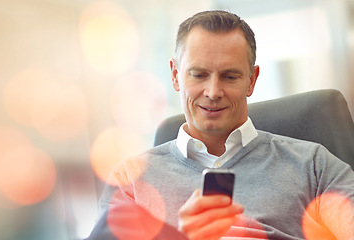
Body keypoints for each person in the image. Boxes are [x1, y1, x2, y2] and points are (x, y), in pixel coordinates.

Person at [91, 10, 354, 240]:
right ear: (175, 76)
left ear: (251, 81)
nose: (213, 91)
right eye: (199, 75)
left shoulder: (313, 165)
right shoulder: (131, 181)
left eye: (229, 76)